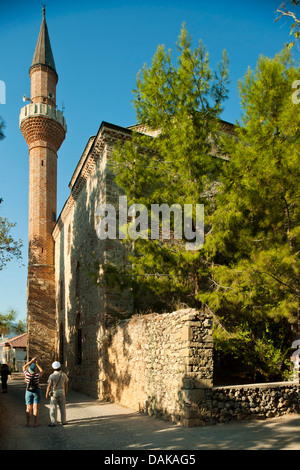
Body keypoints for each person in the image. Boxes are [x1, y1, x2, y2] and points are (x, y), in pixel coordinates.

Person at [46, 361, 69, 427]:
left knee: (53, 407)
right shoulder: (64, 375)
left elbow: (49, 385)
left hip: (54, 392)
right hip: (62, 391)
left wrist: (47, 393)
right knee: (62, 407)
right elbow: (66, 385)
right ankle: (63, 421)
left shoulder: (52, 376)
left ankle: (53, 422)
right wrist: (66, 392)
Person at [23, 357, 43, 427]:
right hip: (36, 391)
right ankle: (36, 423)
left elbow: (24, 367)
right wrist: (37, 364)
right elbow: (41, 371)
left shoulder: (27, 375)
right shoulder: (37, 375)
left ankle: (28, 423)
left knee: (28, 408)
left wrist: (31, 361)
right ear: (35, 370)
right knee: (35, 408)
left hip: (28, 391)